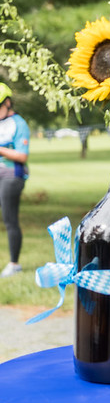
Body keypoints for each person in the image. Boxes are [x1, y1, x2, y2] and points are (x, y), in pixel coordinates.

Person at [0, 83, 30, 278]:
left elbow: (22, 155)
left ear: (8, 102)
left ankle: (14, 264)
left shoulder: (19, 124)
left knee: (10, 219)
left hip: (12, 176)